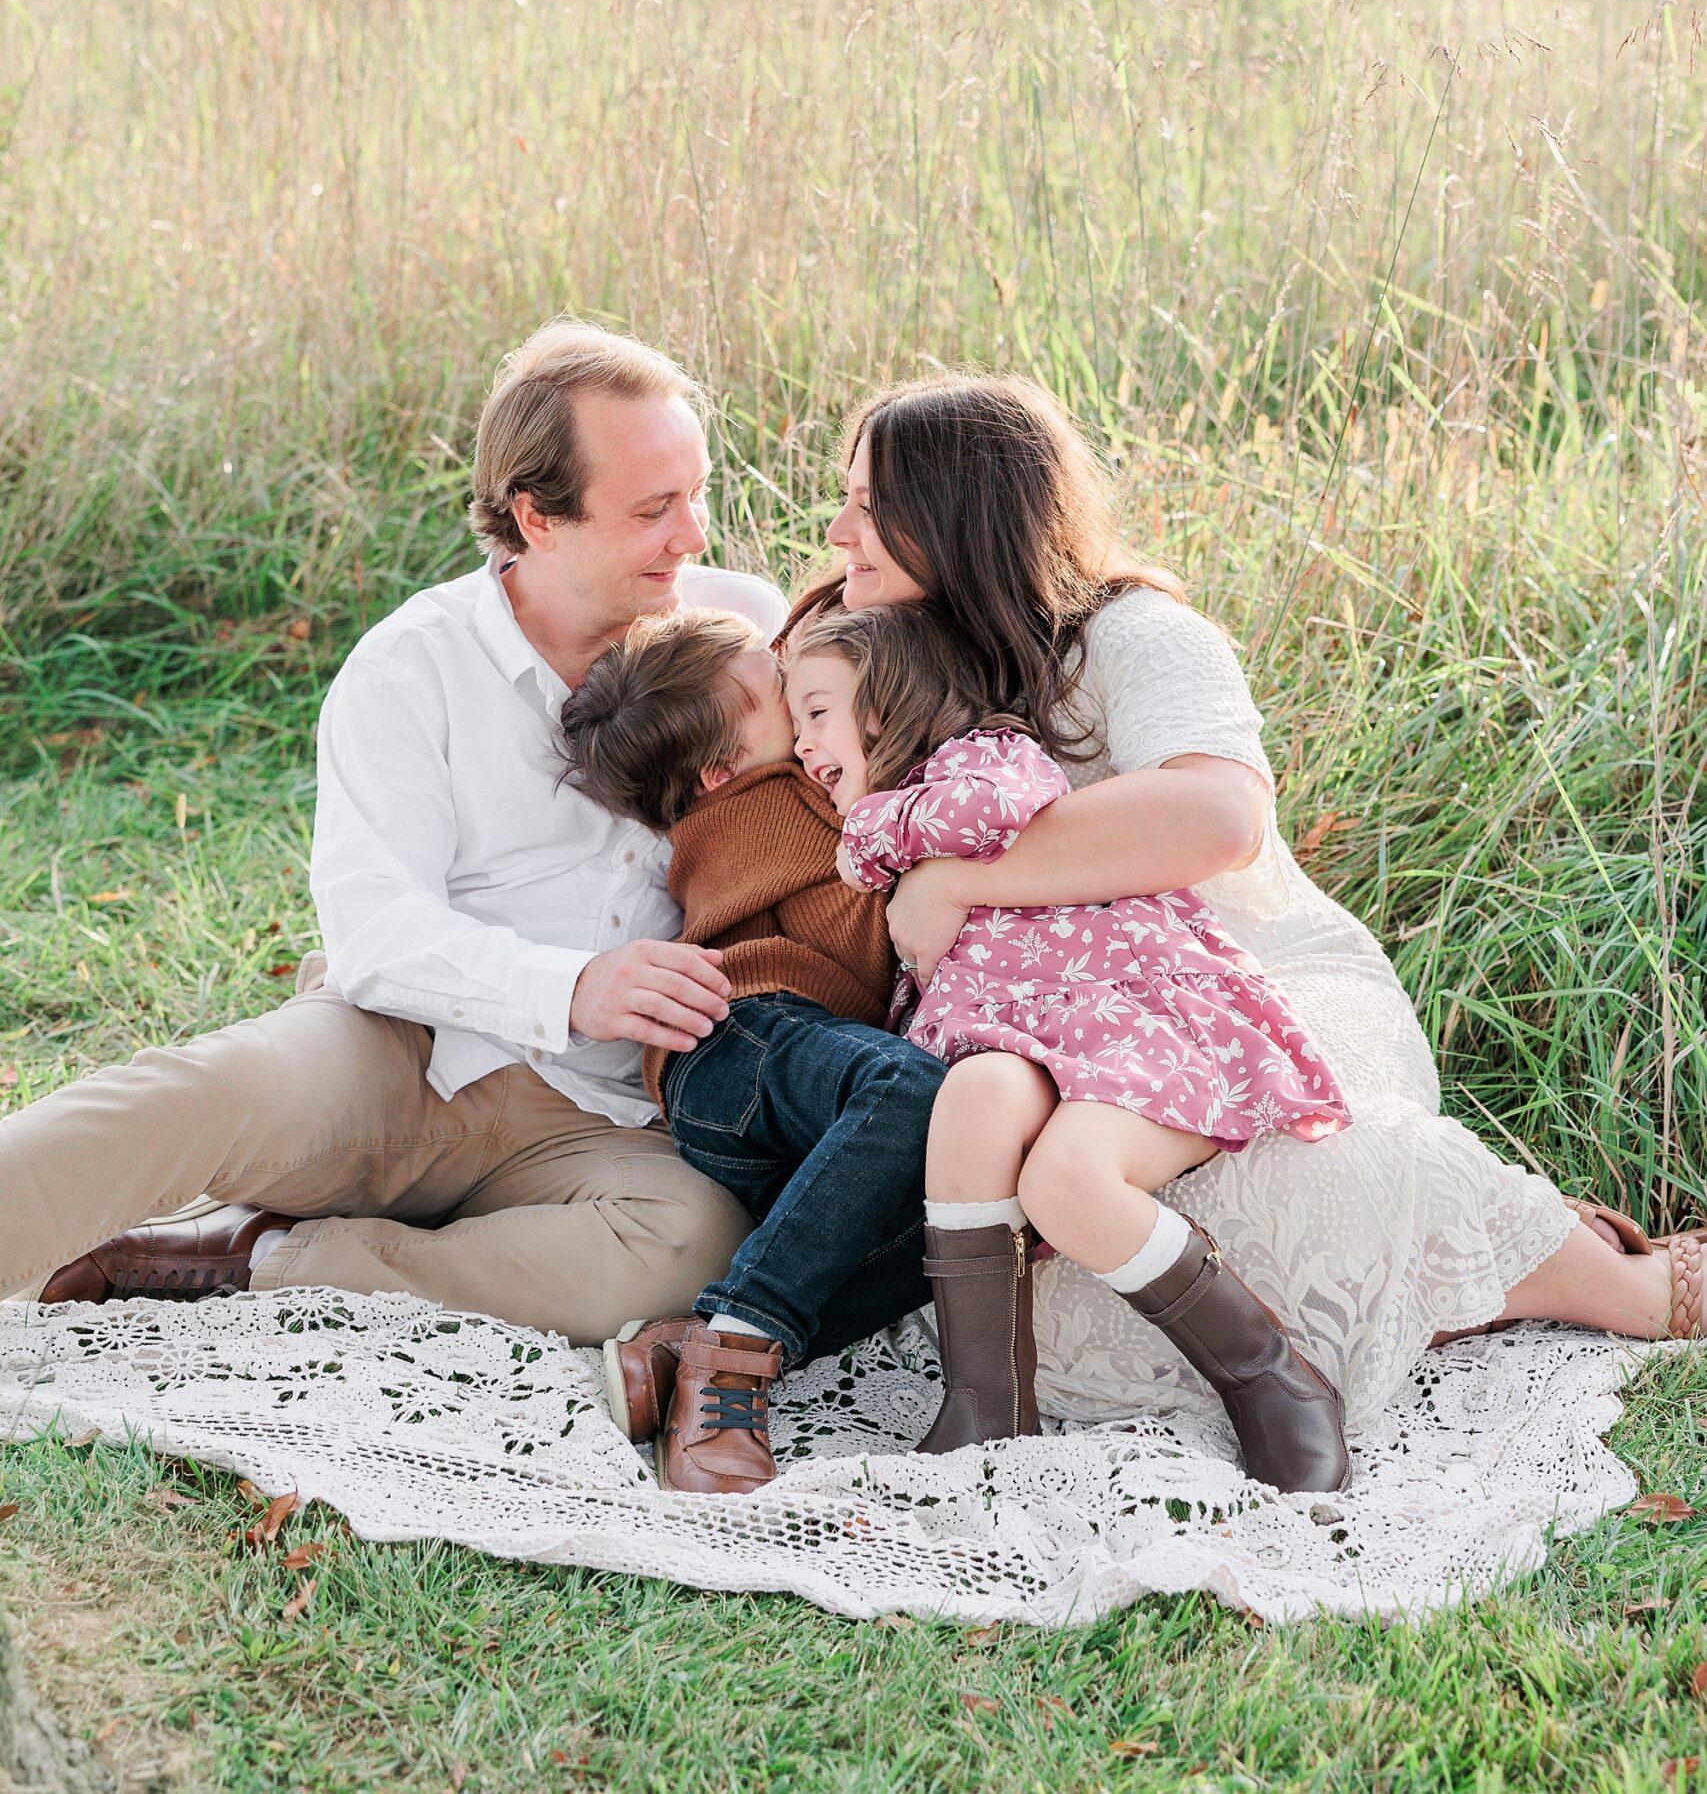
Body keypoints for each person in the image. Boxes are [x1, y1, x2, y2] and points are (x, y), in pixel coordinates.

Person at [799, 372, 1703, 1431]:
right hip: (1031, 1027)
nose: (836, 528)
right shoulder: (854, 644)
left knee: (1305, 1171)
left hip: (1243, 978)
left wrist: (958, 876)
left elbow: (1214, 818)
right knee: (1044, 1233)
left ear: (955, 513)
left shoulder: (1133, 637)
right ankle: (1412, 1302)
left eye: (868, 503)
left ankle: (1617, 1286)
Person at [7, 321, 783, 1343]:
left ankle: (269, 1256)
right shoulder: (412, 667)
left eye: (698, 492)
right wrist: (573, 987)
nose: (694, 534)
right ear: (536, 517)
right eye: (653, 508)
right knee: (201, 1094)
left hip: (598, 1116)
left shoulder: (741, 630)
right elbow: (377, 936)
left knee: (697, 1244)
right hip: (404, 1053)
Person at [788, 598, 1351, 1492]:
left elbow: (1008, 802)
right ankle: (987, 1406)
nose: (802, 745)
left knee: (1065, 1182)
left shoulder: (979, 759)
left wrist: (891, 838)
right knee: (968, 1105)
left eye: (815, 712)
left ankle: (1271, 1381)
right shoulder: (901, 814)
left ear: (890, 703)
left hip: (1126, 1019)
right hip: (1013, 1040)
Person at [557, 607, 942, 1495]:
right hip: (743, 1036)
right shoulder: (768, 804)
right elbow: (866, 909)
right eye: (777, 695)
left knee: (969, 1218)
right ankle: (732, 1363)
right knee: (914, 1090)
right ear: (720, 771)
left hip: (763, 1082)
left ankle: (684, 1349)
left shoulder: (762, 782)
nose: (800, 697)